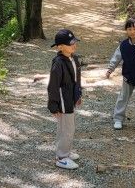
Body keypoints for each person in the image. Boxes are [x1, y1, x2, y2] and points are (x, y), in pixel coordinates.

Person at [105, 16, 135, 130]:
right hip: (127, 77)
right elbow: (116, 57)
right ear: (126, 30)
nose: (132, 32)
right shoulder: (124, 45)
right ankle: (118, 119)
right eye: (129, 29)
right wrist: (110, 69)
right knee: (123, 98)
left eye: (134, 29)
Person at [47, 28, 83, 170]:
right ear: (60, 47)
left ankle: (65, 151)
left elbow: (76, 79)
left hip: (70, 98)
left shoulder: (73, 58)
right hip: (62, 101)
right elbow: (53, 86)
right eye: (70, 43)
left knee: (69, 127)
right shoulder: (58, 63)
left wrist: (78, 94)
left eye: (74, 42)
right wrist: (53, 105)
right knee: (66, 129)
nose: (74, 45)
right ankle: (62, 157)